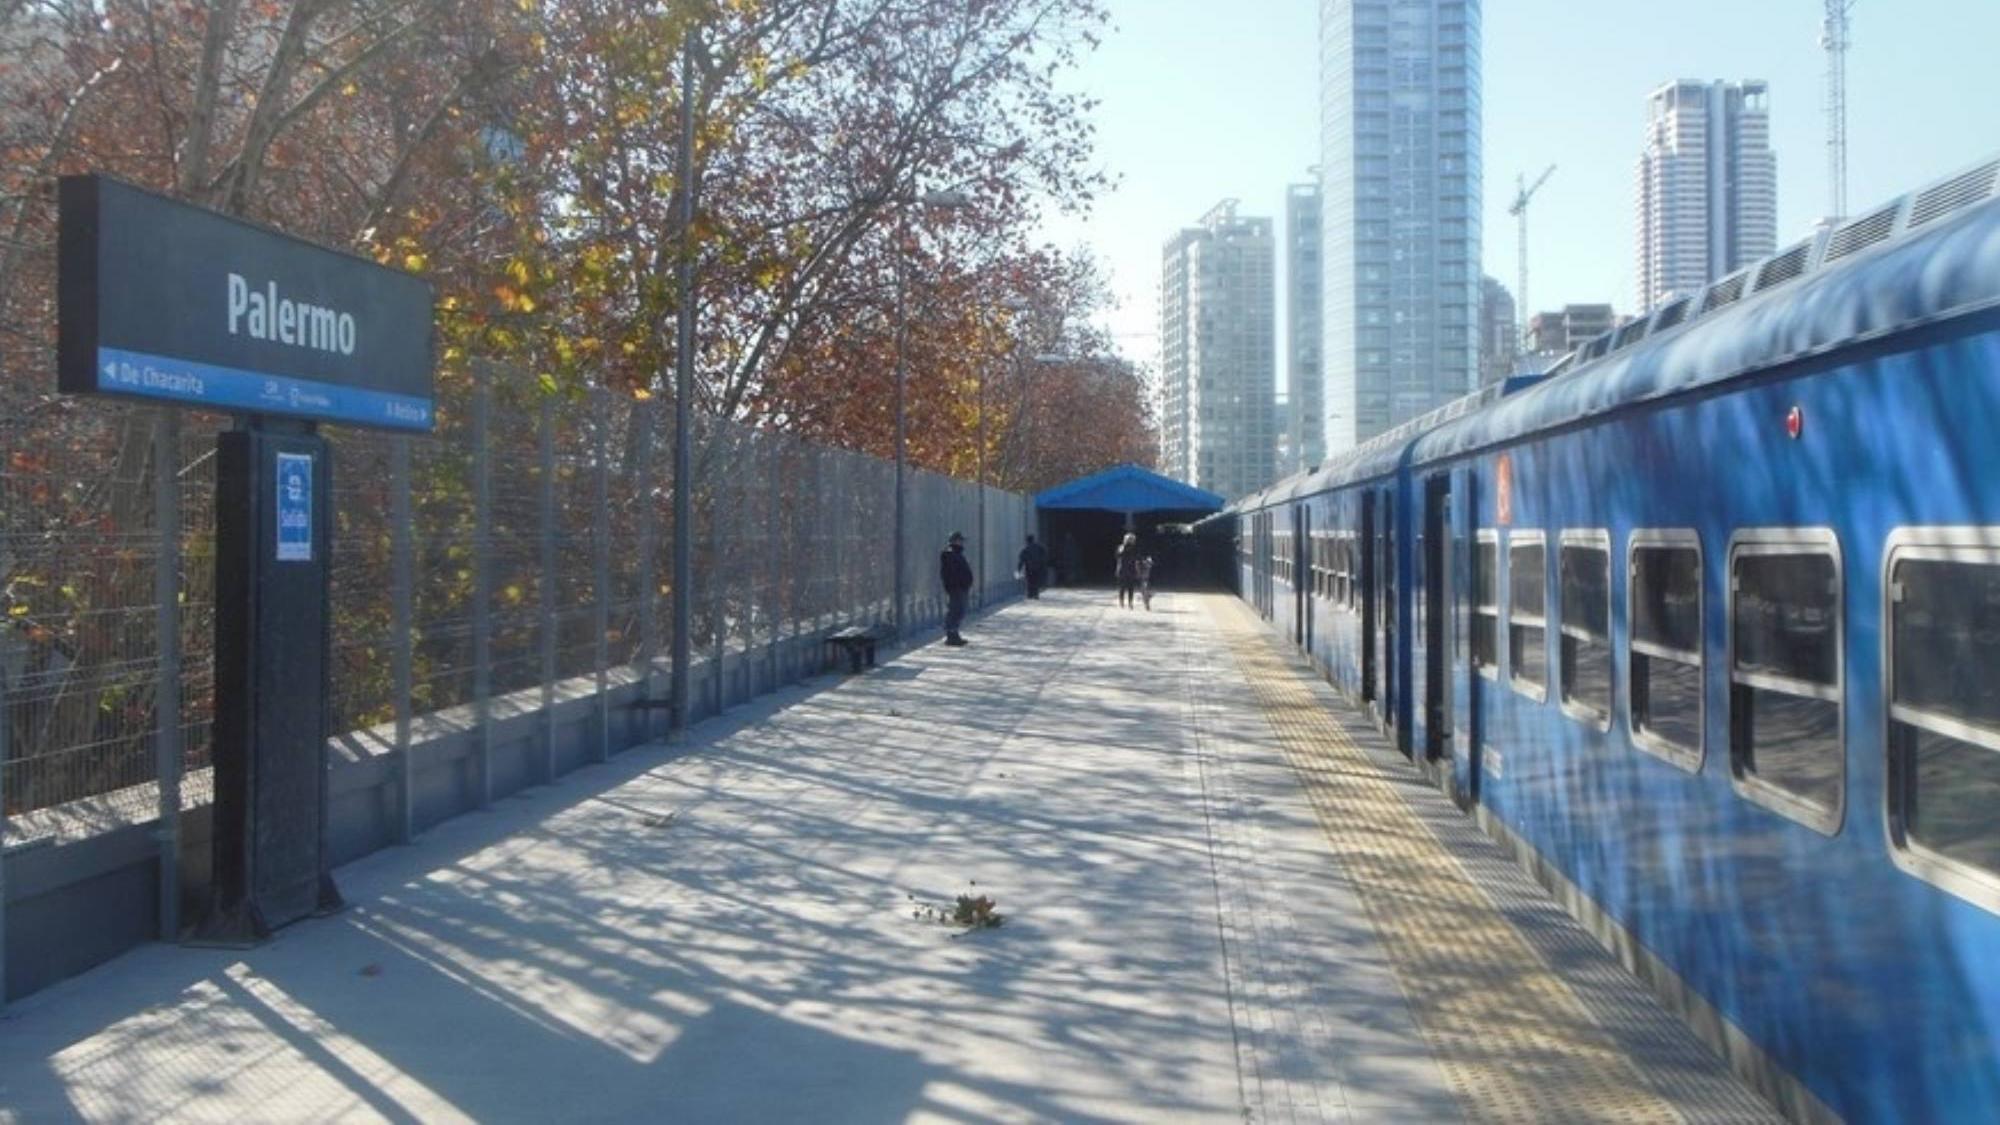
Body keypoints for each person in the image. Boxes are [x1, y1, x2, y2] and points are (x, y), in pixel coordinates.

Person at [940, 531, 974, 646]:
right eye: (961, 540)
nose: (962, 543)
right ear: (955, 541)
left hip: (961, 587)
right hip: (956, 588)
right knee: (956, 610)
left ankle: (955, 633)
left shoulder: (957, 554)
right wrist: (957, 584)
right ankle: (951, 635)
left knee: (960, 610)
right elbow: (950, 573)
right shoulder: (950, 554)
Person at [1018, 534, 1050, 599]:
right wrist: (1043, 565)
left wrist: (1019, 569)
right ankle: (1036, 594)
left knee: (1029, 581)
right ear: (1033, 540)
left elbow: (1022, 560)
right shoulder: (1039, 547)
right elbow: (1044, 556)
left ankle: (1030, 594)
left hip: (1029, 568)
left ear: (1027, 541)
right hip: (1038, 567)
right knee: (1036, 581)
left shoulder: (1025, 549)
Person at [1115, 532, 1140, 609]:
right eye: (1131, 539)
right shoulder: (1122, 547)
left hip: (1126, 569)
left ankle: (1126, 602)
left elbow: (1117, 557)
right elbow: (1118, 556)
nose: (1132, 541)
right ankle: (1125, 602)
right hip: (1125, 569)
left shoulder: (1133, 548)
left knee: (1127, 587)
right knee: (1126, 587)